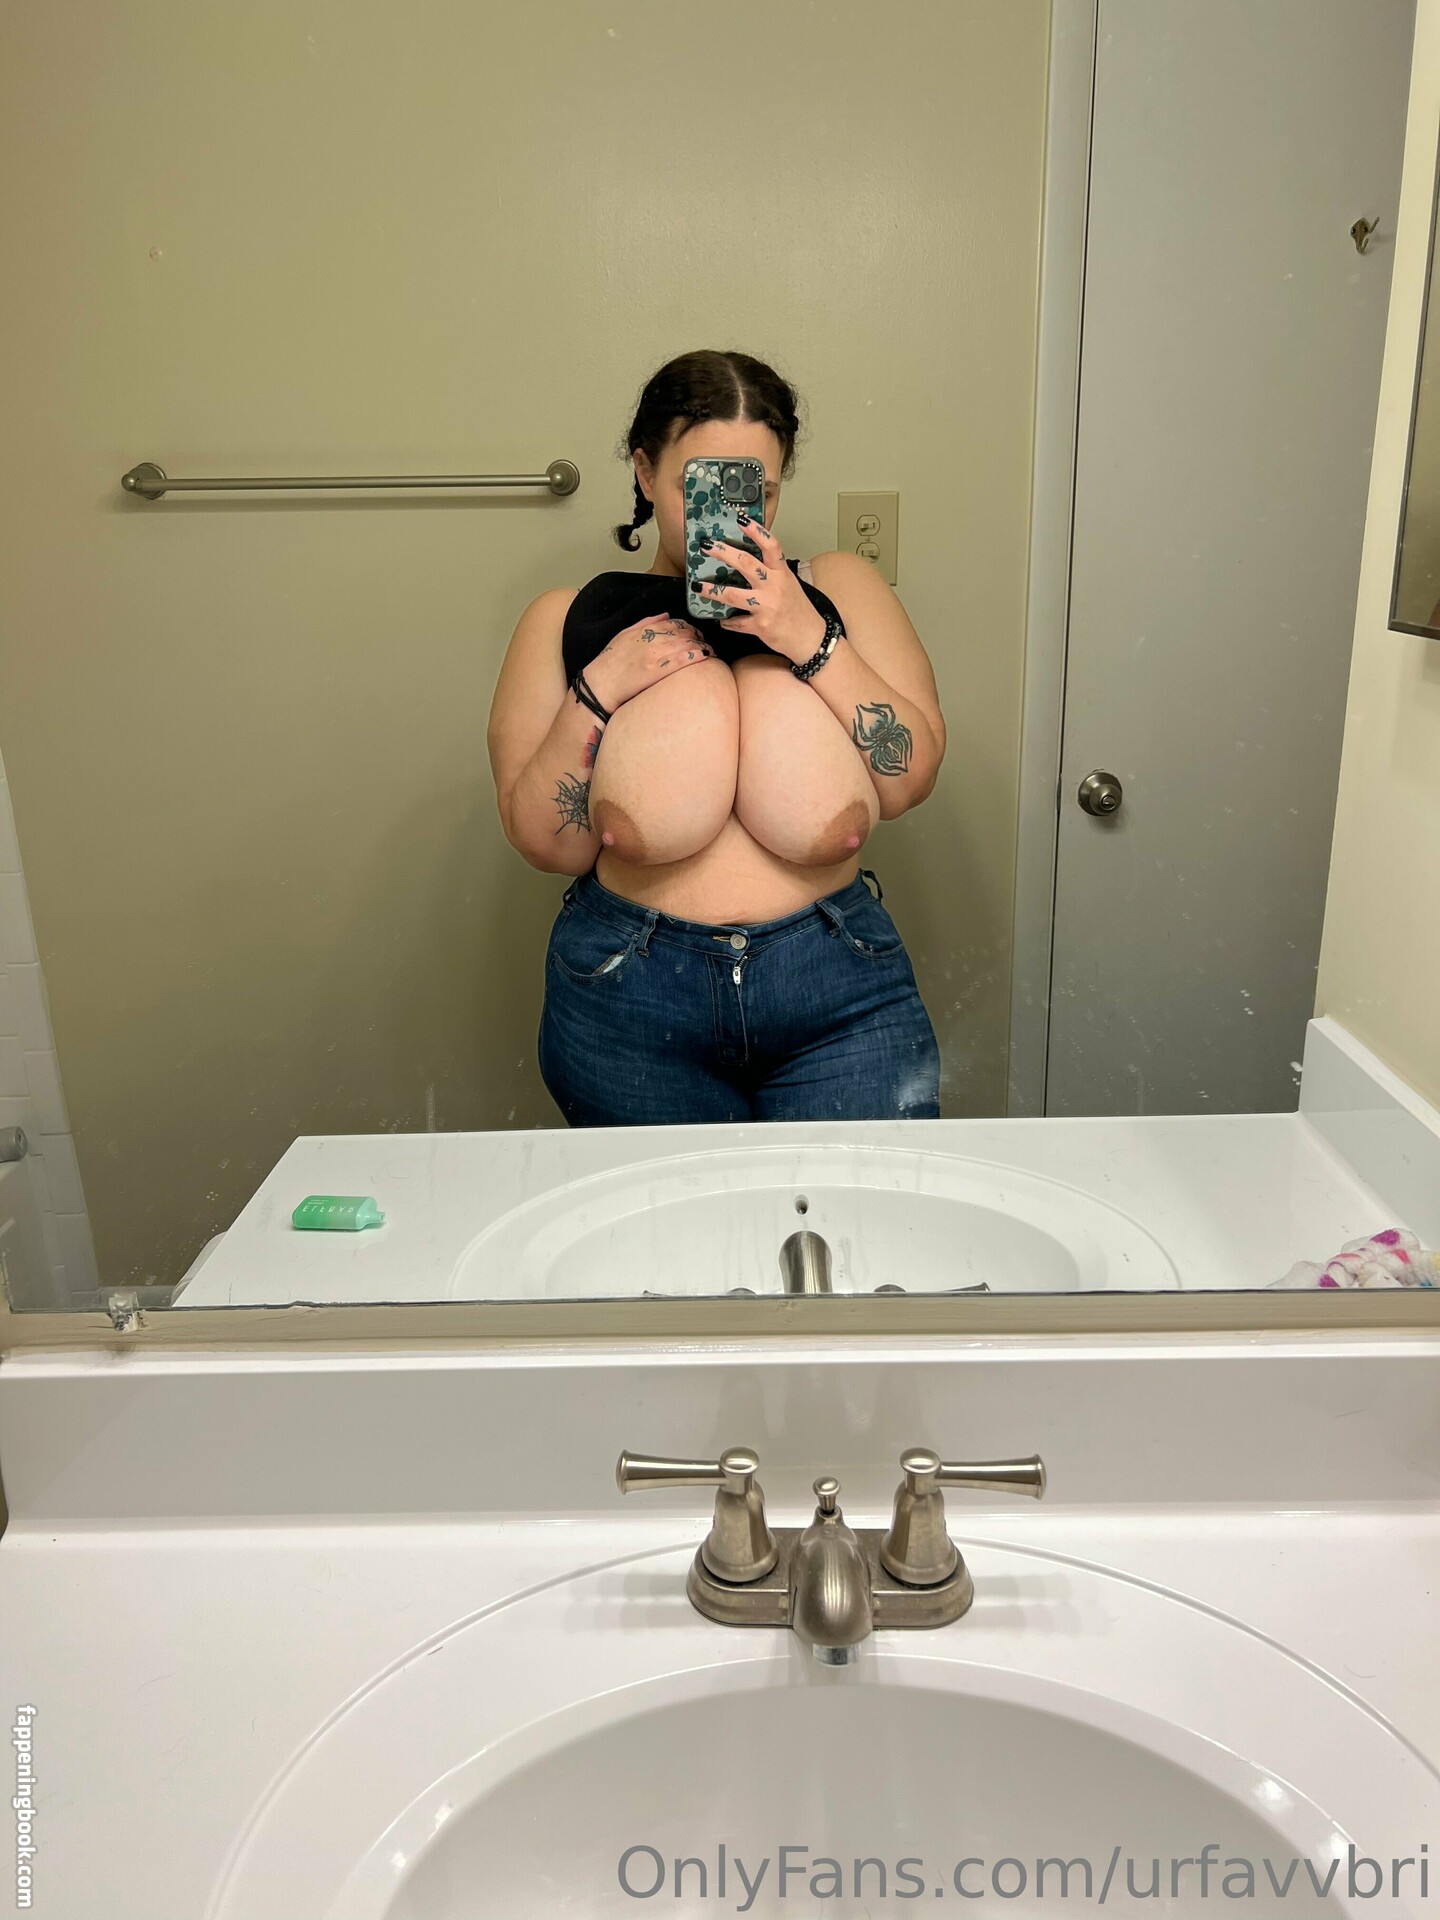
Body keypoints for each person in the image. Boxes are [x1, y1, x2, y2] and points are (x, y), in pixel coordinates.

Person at [487, 348, 946, 1125]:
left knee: (864, 1203)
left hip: (838, 990)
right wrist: (598, 692)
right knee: (659, 1211)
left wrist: (809, 637)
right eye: (700, 485)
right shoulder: (568, 617)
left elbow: (907, 781)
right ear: (644, 471)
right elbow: (548, 844)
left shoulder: (840, 589)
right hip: (629, 994)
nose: (733, 515)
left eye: (757, 491)